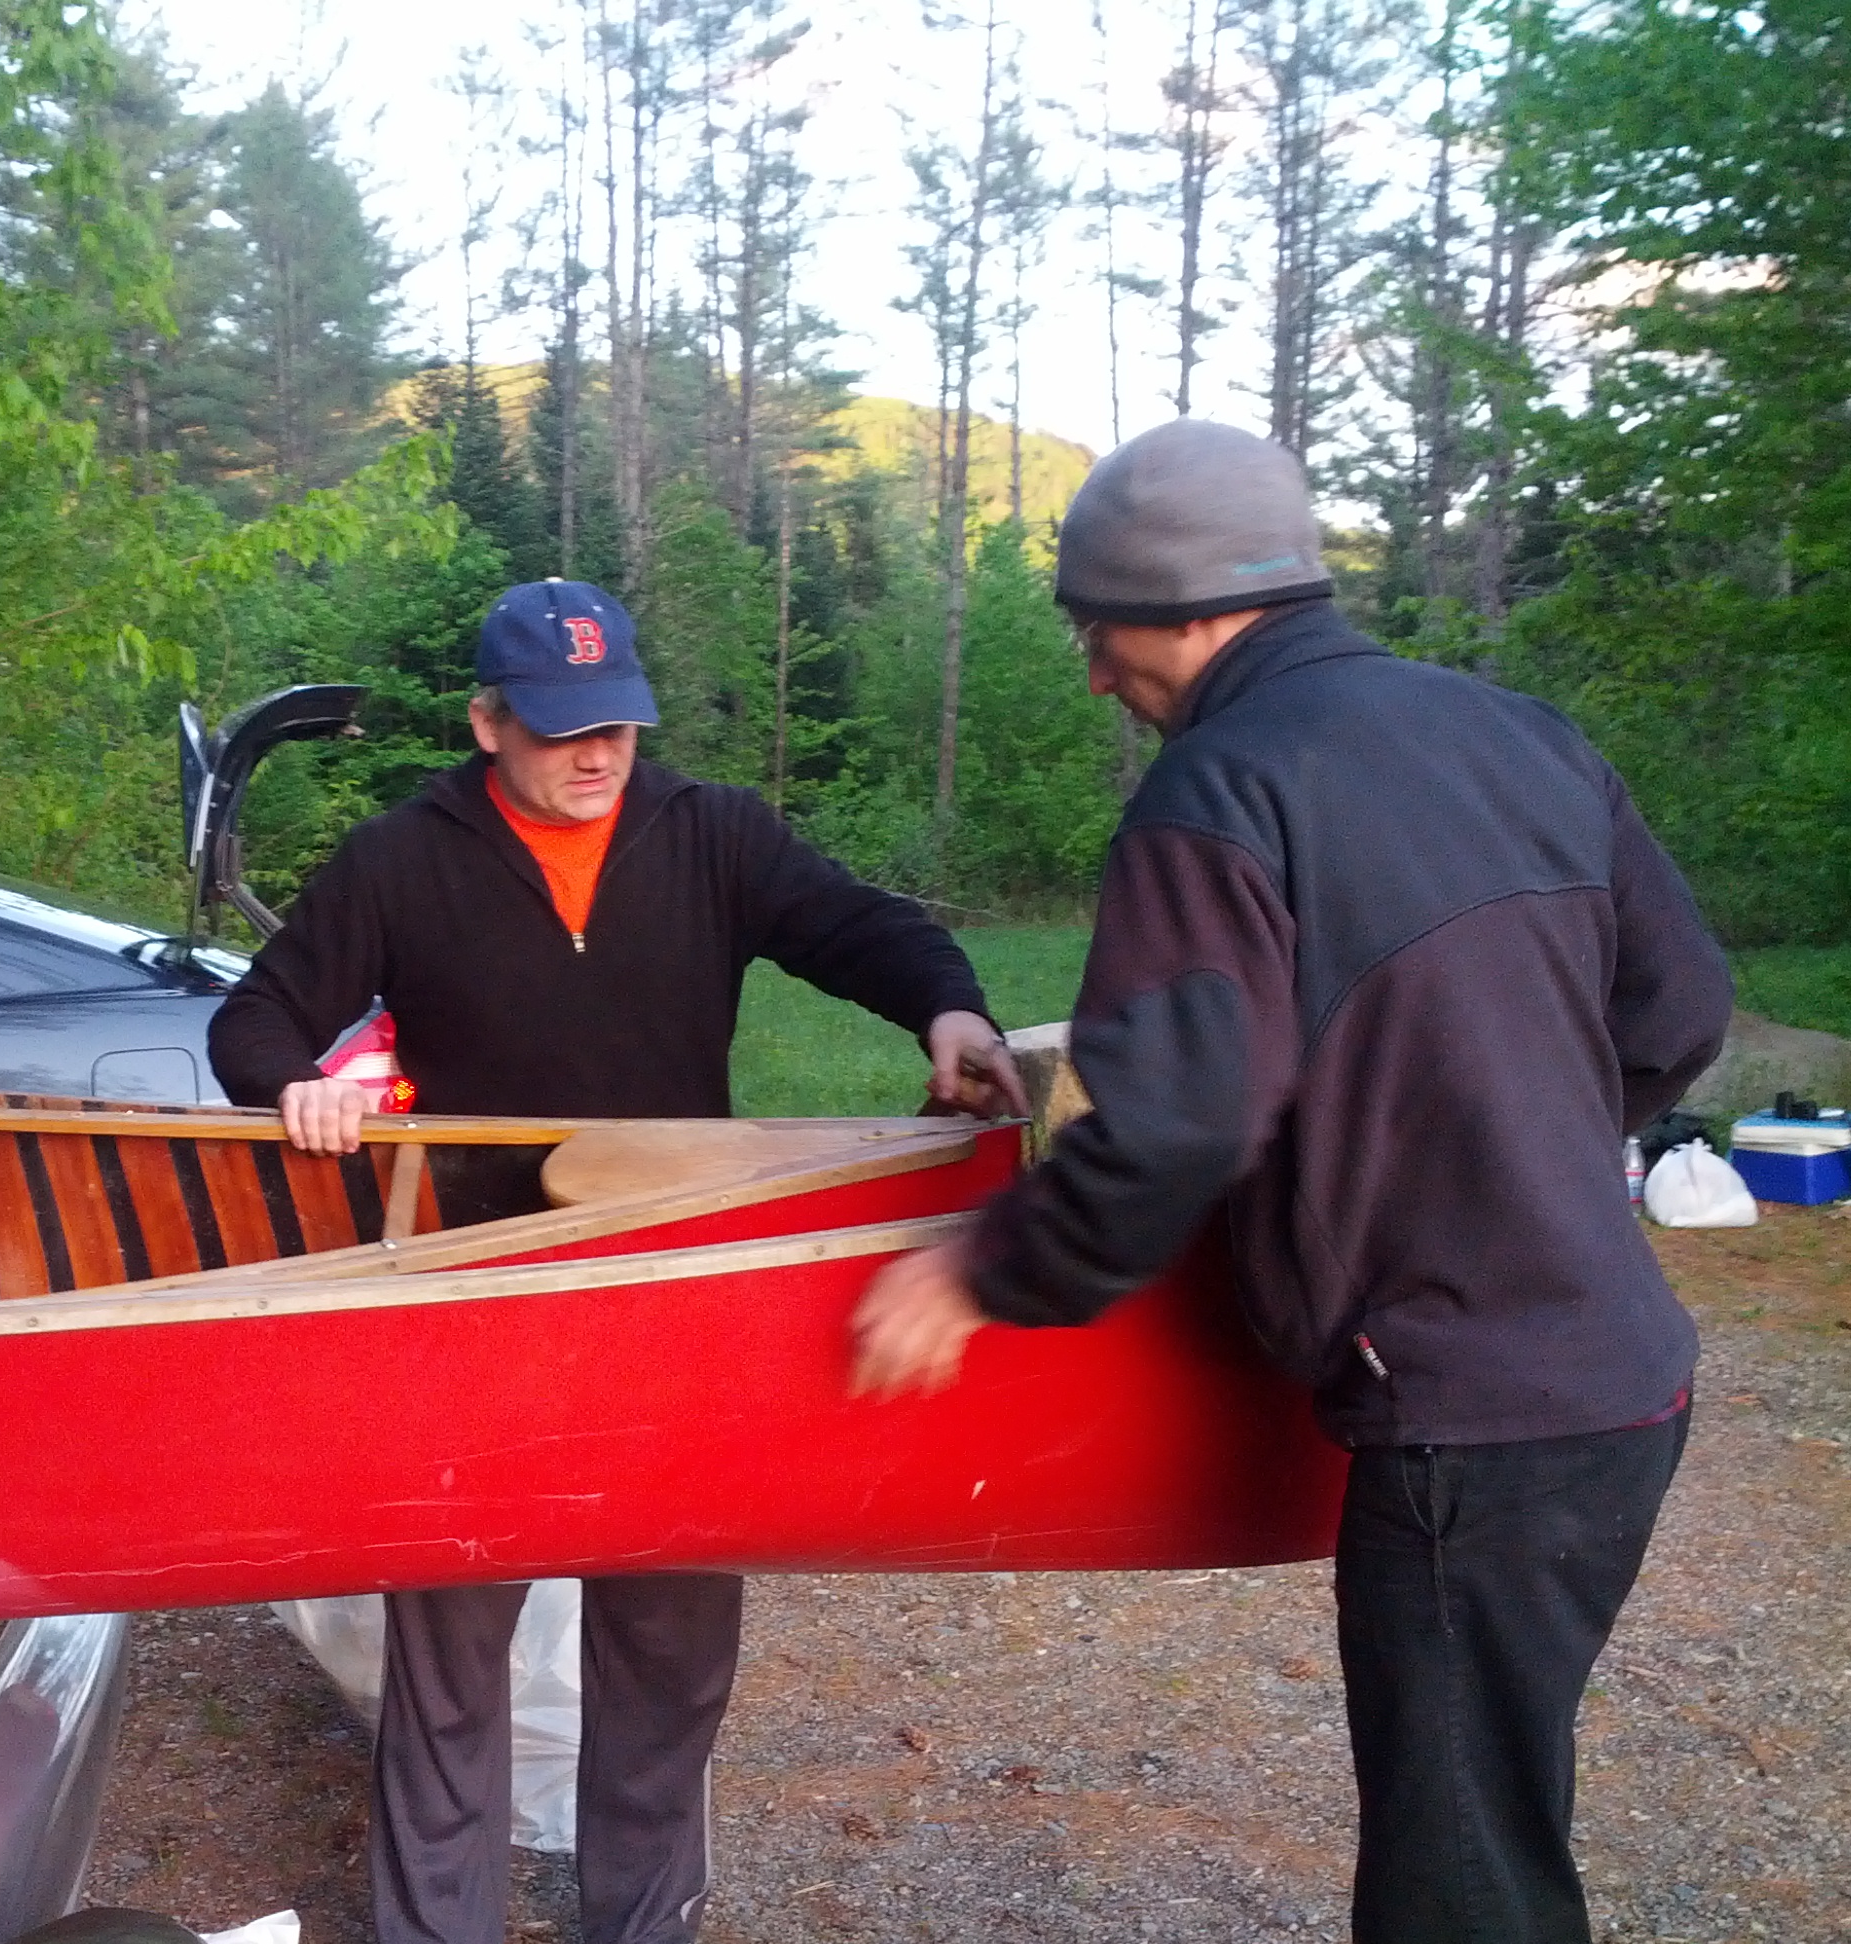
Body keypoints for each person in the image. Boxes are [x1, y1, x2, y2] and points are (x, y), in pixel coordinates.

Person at [850, 420, 1731, 1944]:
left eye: (1098, 630)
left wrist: (980, 1270)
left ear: (1186, 610)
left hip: (1468, 1424)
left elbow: (1179, 1123)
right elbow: (1678, 1012)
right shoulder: (1521, 735)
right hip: (1628, 1392)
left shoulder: (1216, 794)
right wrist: (1511, 1137)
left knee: (1461, 1883)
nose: (1093, 674)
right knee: (1500, 1816)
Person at [209, 576, 1028, 1944]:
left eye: (619, 724)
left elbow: (859, 926)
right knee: (451, 1644)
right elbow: (255, 1021)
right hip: (481, 1292)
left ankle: (646, 1924)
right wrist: (300, 1086)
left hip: (672, 1298)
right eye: (561, 727)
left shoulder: (711, 832)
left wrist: (950, 1009)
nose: (597, 754)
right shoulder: (401, 859)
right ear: (488, 723)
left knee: (668, 1643)